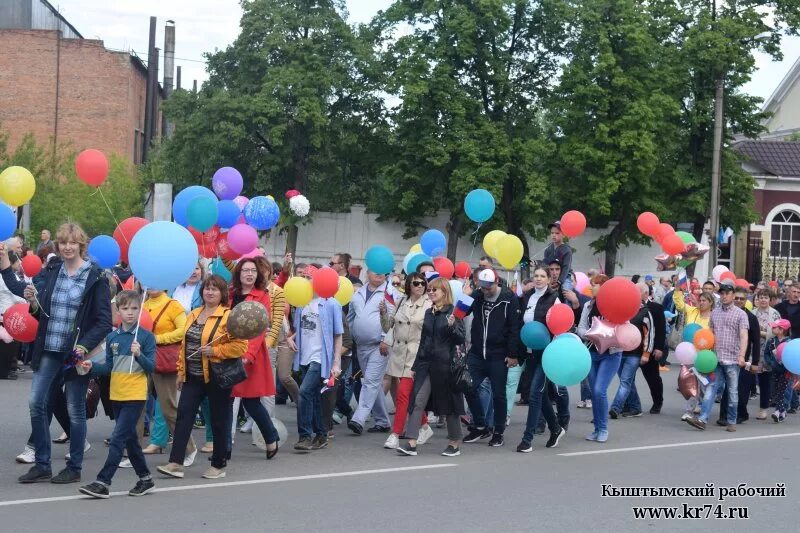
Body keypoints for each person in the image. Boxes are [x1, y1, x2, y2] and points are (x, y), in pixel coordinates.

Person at [1, 223, 112, 484]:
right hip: (49, 348)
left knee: (75, 409)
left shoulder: (95, 276)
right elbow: (23, 292)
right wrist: (7, 265)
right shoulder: (52, 269)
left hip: (75, 353)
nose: (67, 247)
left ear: (81, 245)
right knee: (36, 403)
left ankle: (74, 467)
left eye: (72, 242)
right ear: (58, 246)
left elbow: (104, 322)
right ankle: (42, 464)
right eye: (63, 243)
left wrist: (83, 346)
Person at [157, 275, 247, 480]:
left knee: (218, 420)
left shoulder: (228, 316)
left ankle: (218, 464)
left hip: (217, 376)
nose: (210, 292)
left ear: (222, 293)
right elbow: (184, 346)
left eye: (215, 289)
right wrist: (181, 372)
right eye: (207, 288)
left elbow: (240, 346)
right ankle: (175, 463)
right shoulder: (194, 314)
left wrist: (215, 351)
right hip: (192, 376)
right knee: (183, 417)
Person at [77, 291, 157, 499]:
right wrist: (92, 367)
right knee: (130, 440)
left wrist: (139, 355)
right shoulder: (113, 337)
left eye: (134, 308)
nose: (130, 313)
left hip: (135, 395)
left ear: (140, 310)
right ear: (118, 311)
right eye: (125, 308)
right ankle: (146, 479)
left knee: (118, 438)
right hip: (117, 393)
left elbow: (151, 367)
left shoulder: (146, 337)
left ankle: (103, 481)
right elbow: (109, 367)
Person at [397, 277, 466, 457]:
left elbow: (460, 338)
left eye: (435, 289)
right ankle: (411, 442)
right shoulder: (429, 312)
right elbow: (424, 340)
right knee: (417, 400)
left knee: (449, 404)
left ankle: (454, 442)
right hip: (426, 364)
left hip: (446, 366)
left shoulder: (453, 312)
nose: (431, 292)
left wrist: (452, 326)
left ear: (445, 292)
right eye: (430, 290)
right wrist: (415, 365)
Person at [462, 268, 521, 447]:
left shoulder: (509, 298)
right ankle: (480, 426)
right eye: (483, 287)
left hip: (498, 354)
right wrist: (466, 296)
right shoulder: (478, 295)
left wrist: (512, 354)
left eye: (489, 287)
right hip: (477, 352)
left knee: (499, 395)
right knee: (466, 385)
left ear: (497, 282)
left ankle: (498, 431)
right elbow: (460, 313)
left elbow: (515, 328)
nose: (486, 290)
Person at [229, 259, 279, 460]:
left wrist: (247, 355)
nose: (249, 274)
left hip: (251, 355)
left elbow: (259, 331)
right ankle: (223, 447)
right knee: (226, 400)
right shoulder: (230, 294)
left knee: (251, 402)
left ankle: (270, 437)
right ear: (238, 273)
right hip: (228, 352)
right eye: (245, 270)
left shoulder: (262, 295)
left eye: (253, 271)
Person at [686, 281, 749, 432]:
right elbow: (710, 334)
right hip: (716, 358)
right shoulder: (715, 313)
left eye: (728, 293)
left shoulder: (741, 314)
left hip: (733, 359)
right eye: (722, 293)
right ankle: (702, 419)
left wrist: (742, 356)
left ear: (733, 295)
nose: (725, 296)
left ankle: (731, 421)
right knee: (711, 387)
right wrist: (706, 352)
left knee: (732, 391)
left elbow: (744, 336)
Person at [141, 289, 195, 463]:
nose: (151, 285)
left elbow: (183, 330)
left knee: (168, 408)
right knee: (136, 407)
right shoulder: (142, 305)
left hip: (163, 361)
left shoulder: (173, 305)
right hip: (142, 359)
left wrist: (158, 339)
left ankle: (189, 448)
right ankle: (132, 453)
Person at [516, 267, 566, 452]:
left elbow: (560, 327)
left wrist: (555, 351)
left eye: (542, 276)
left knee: (535, 393)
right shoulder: (527, 297)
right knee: (540, 394)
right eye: (536, 275)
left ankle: (527, 439)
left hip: (547, 353)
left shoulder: (554, 299)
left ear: (548, 279)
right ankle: (556, 428)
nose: (538, 279)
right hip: (530, 352)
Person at [288, 284, 344, 451]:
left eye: (311, 277)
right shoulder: (301, 302)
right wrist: (292, 337)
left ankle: (305, 436)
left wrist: (336, 362)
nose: (307, 281)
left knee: (304, 392)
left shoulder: (331, 303)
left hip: (320, 358)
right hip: (304, 355)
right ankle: (321, 434)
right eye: (305, 277)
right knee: (313, 397)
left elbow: (338, 334)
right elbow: (303, 326)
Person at [381, 272, 433, 449]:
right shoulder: (401, 302)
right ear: (409, 285)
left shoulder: (429, 304)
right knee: (409, 396)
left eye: (423, 283)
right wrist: (383, 312)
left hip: (416, 355)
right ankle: (425, 426)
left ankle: (395, 433)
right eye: (416, 283)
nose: (420, 286)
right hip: (399, 354)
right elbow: (388, 327)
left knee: (403, 394)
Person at [347, 270, 395, 435]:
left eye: (382, 271)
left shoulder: (389, 293)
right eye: (375, 269)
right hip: (361, 346)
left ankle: (358, 419)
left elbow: (392, 319)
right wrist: (352, 336)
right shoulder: (358, 292)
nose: (379, 273)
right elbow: (351, 317)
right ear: (368, 272)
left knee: (370, 382)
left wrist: (384, 339)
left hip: (379, 346)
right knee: (372, 383)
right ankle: (383, 421)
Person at [578, 275, 622, 442]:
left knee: (599, 390)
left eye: (595, 284)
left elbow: (623, 328)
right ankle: (596, 428)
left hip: (611, 354)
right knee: (594, 392)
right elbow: (581, 328)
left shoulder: (615, 305)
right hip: (591, 352)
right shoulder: (588, 305)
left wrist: (607, 334)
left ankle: (603, 428)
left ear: (605, 287)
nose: (592, 287)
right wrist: (594, 334)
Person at [609, 284, 655, 419]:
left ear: (643, 294)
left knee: (625, 381)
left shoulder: (645, 312)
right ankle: (635, 407)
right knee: (628, 382)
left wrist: (646, 354)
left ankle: (616, 407)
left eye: (636, 291)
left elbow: (649, 334)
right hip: (620, 351)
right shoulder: (623, 309)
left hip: (634, 354)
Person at [716, 286, 761, 424]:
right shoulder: (724, 313)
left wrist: (755, 363)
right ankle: (724, 416)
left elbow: (756, 342)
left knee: (740, 389)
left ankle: (742, 413)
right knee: (727, 389)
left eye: (742, 298)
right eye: (737, 298)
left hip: (743, 359)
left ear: (746, 300)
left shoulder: (751, 317)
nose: (739, 301)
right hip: (726, 357)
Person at [753, 288, 780, 419]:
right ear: (757, 299)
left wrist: (758, 332)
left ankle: (763, 408)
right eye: (761, 297)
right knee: (748, 379)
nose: (763, 300)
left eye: (766, 297)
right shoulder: (753, 313)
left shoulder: (774, 314)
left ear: (770, 299)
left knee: (764, 382)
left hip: (767, 352)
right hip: (752, 350)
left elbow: (774, 333)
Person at [763, 319, 792, 422]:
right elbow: (766, 354)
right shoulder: (771, 341)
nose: (772, 328)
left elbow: (791, 356)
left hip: (785, 371)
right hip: (774, 370)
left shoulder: (789, 342)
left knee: (782, 391)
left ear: (782, 330)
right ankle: (782, 411)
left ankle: (778, 411)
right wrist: (770, 363)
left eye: (775, 327)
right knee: (774, 390)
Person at [543, 221, 573, 289]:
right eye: (552, 233)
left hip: (565, 277)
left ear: (564, 234)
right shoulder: (548, 249)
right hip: (551, 276)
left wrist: (559, 281)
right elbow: (545, 265)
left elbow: (566, 268)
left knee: (566, 291)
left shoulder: (567, 250)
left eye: (557, 233)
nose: (554, 235)